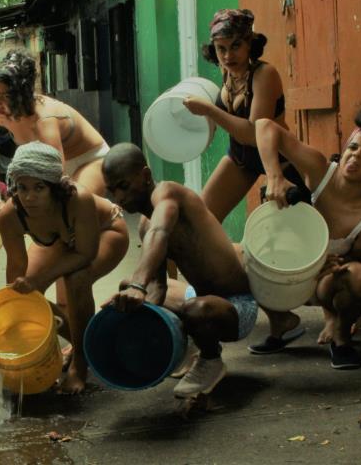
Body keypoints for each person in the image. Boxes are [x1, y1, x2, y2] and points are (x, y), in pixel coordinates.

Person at [102, 143, 259, 399]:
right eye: (112, 191)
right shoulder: (144, 224)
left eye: (123, 186)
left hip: (237, 306)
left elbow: (160, 231)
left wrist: (138, 287)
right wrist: (137, 318)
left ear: (145, 176)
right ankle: (184, 345)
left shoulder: (169, 194)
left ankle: (210, 360)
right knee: (125, 288)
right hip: (196, 295)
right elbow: (158, 287)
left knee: (195, 310)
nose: (118, 198)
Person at [247, 106, 361, 369]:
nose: (356, 156)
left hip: (320, 282)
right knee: (243, 255)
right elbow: (264, 125)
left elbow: (352, 262)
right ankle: (281, 324)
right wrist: (274, 176)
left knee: (360, 276)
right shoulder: (319, 169)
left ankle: (341, 334)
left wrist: (329, 268)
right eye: (353, 147)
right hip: (283, 268)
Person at [0, 142, 128, 394]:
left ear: (54, 187)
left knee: (77, 278)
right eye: (22, 188)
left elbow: (85, 254)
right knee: (22, 293)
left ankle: (80, 365)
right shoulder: (10, 215)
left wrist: (42, 278)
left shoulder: (78, 199)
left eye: (39, 188)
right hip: (62, 241)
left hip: (105, 231)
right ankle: (85, 344)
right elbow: (16, 273)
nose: (29, 197)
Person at [182, 8, 310, 222]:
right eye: (220, 48)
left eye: (235, 46)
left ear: (249, 43)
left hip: (279, 161)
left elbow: (252, 134)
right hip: (241, 157)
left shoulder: (264, 74)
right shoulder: (228, 73)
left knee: (289, 236)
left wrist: (208, 109)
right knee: (201, 220)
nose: (228, 56)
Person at [0, 49, 109, 197]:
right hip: (54, 168)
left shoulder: (44, 120)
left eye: (6, 96)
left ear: (22, 95)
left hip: (88, 159)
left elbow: (56, 178)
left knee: (75, 203)